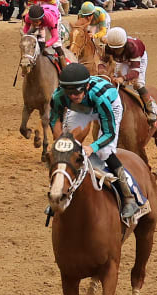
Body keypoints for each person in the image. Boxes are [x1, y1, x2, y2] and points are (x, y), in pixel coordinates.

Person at [47, 63, 146, 227]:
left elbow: (109, 133)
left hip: (109, 104)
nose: (73, 95)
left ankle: (128, 197)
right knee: (65, 150)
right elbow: (54, 119)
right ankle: (59, 193)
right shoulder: (59, 96)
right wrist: (61, 142)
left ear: (86, 86)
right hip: (81, 109)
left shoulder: (100, 97)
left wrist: (91, 147)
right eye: (69, 92)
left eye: (78, 91)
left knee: (104, 152)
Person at [99, 25, 157, 125]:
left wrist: (123, 78)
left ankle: (152, 110)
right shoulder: (108, 47)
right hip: (122, 60)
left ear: (124, 44)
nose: (115, 51)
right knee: (116, 83)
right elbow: (102, 62)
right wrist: (101, 70)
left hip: (137, 58)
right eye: (113, 48)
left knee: (138, 84)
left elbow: (135, 72)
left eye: (118, 48)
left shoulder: (133, 48)